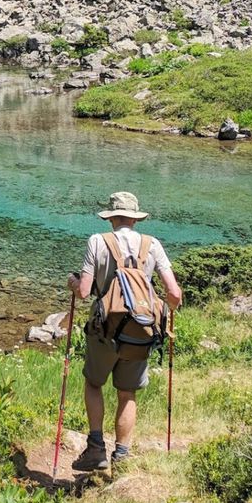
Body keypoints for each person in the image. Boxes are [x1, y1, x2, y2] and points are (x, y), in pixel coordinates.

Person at [67, 191, 182, 473]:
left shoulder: (98, 241)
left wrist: (72, 283)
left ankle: (96, 449)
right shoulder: (152, 244)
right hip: (140, 331)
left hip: (104, 329)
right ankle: (122, 456)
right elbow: (174, 293)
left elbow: (83, 291)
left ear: (112, 217)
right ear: (134, 218)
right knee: (127, 392)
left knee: (94, 384)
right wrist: (166, 317)